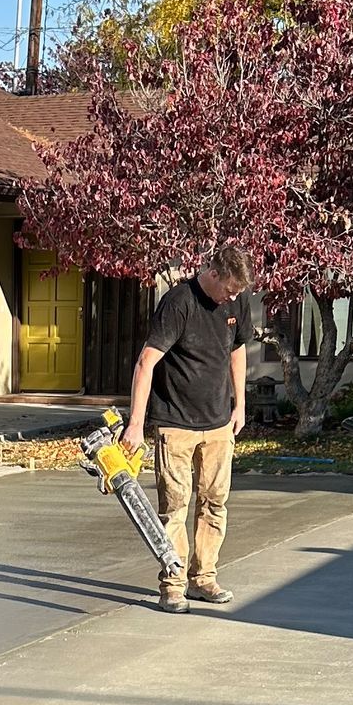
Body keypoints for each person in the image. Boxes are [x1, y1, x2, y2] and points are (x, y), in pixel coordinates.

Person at [120, 241, 256, 612]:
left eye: (238, 292)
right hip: (175, 423)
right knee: (175, 507)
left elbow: (237, 349)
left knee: (215, 501)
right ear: (213, 273)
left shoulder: (237, 301)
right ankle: (173, 584)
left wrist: (240, 405)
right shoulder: (178, 302)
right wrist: (135, 425)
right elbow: (146, 362)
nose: (233, 297)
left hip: (218, 423)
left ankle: (203, 579)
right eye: (229, 289)